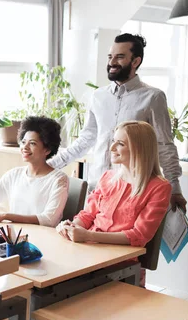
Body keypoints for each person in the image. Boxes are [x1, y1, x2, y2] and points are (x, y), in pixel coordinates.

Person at [48, 33, 186, 213]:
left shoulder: (153, 97)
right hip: (97, 188)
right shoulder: (98, 96)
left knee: (126, 239)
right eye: (110, 56)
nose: (112, 62)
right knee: (86, 237)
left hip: (133, 191)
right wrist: (50, 165)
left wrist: (175, 187)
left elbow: (164, 145)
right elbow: (86, 139)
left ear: (135, 61)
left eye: (120, 57)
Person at [56, 121, 171, 286]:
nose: (112, 148)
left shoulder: (160, 187)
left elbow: (138, 236)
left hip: (120, 266)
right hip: (88, 254)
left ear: (139, 149)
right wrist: (72, 227)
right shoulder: (107, 177)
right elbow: (88, 214)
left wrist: (88, 235)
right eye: (113, 141)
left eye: (121, 143)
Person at [0, 116, 69, 228]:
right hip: (15, 237)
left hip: (41, 240)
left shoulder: (59, 180)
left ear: (47, 149)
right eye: (23, 142)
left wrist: (6, 216)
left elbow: (49, 219)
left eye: (32, 143)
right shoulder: (14, 174)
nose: (25, 147)